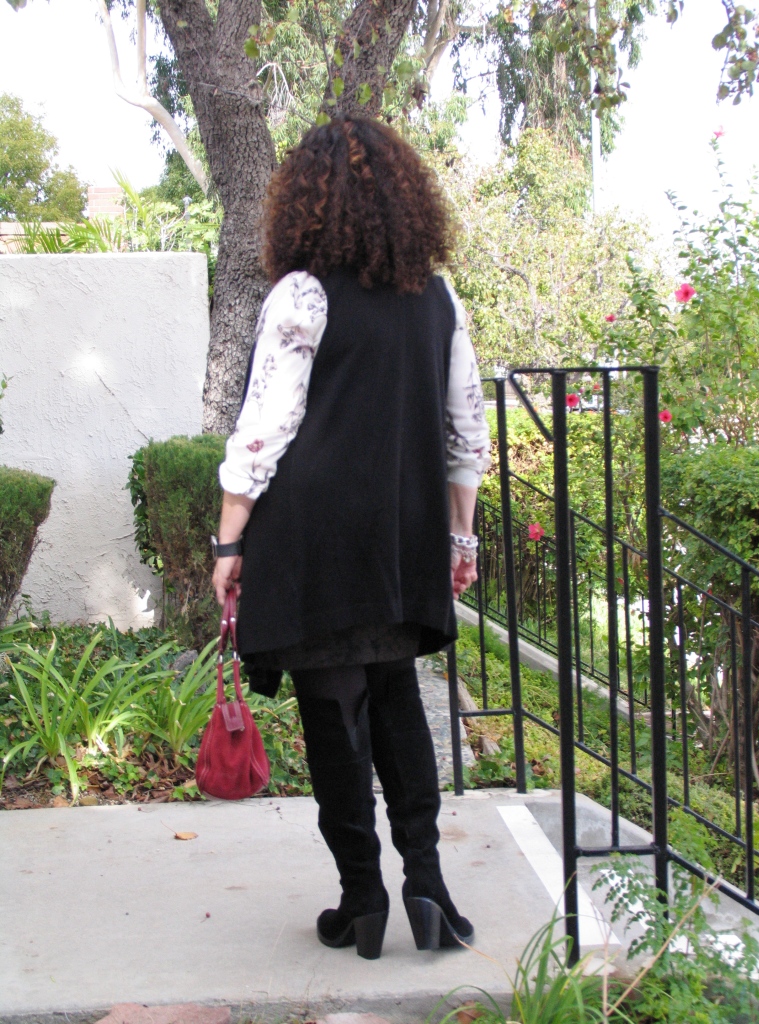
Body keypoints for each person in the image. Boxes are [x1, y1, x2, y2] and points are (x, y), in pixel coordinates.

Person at [211, 115, 491, 960]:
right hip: (402, 536)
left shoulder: (303, 294)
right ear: (407, 201)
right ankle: (428, 888)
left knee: (334, 713)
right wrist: (461, 540)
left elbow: (265, 428)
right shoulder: (438, 298)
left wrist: (228, 543)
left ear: (307, 202)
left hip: (314, 537)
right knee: (397, 697)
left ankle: (363, 901)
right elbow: (465, 434)